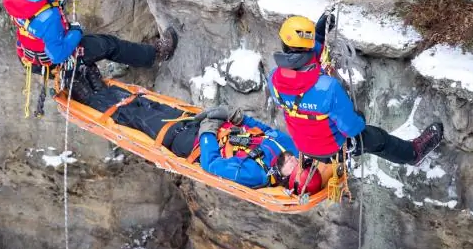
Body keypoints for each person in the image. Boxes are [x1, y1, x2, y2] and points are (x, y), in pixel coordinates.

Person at [70, 81, 324, 193]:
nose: (292, 161)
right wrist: (236, 116)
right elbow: (265, 130)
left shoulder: (254, 174)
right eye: (299, 162)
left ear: (284, 181)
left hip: (192, 141)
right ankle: (100, 86)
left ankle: (87, 96)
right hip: (216, 127)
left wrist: (208, 131)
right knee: (149, 104)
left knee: (134, 117)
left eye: (292, 169)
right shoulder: (288, 147)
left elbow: (211, 164)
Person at [268, 14, 444, 166]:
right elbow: (351, 129)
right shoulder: (327, 87)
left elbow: (299, 62)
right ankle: (414, 154)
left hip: (304, 146)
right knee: (379, 139)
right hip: (334, 149)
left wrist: (319, 35)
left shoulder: (274, 79)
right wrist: (359, 118)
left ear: (283, 44)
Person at [2, 0, 178, 90]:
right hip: (54, 59)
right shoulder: (48, 17)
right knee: (109, 45)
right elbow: (59, 54)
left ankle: (83, 76)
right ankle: (155, 55)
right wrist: (76, 32)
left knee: (94, 47)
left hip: (30, 55)